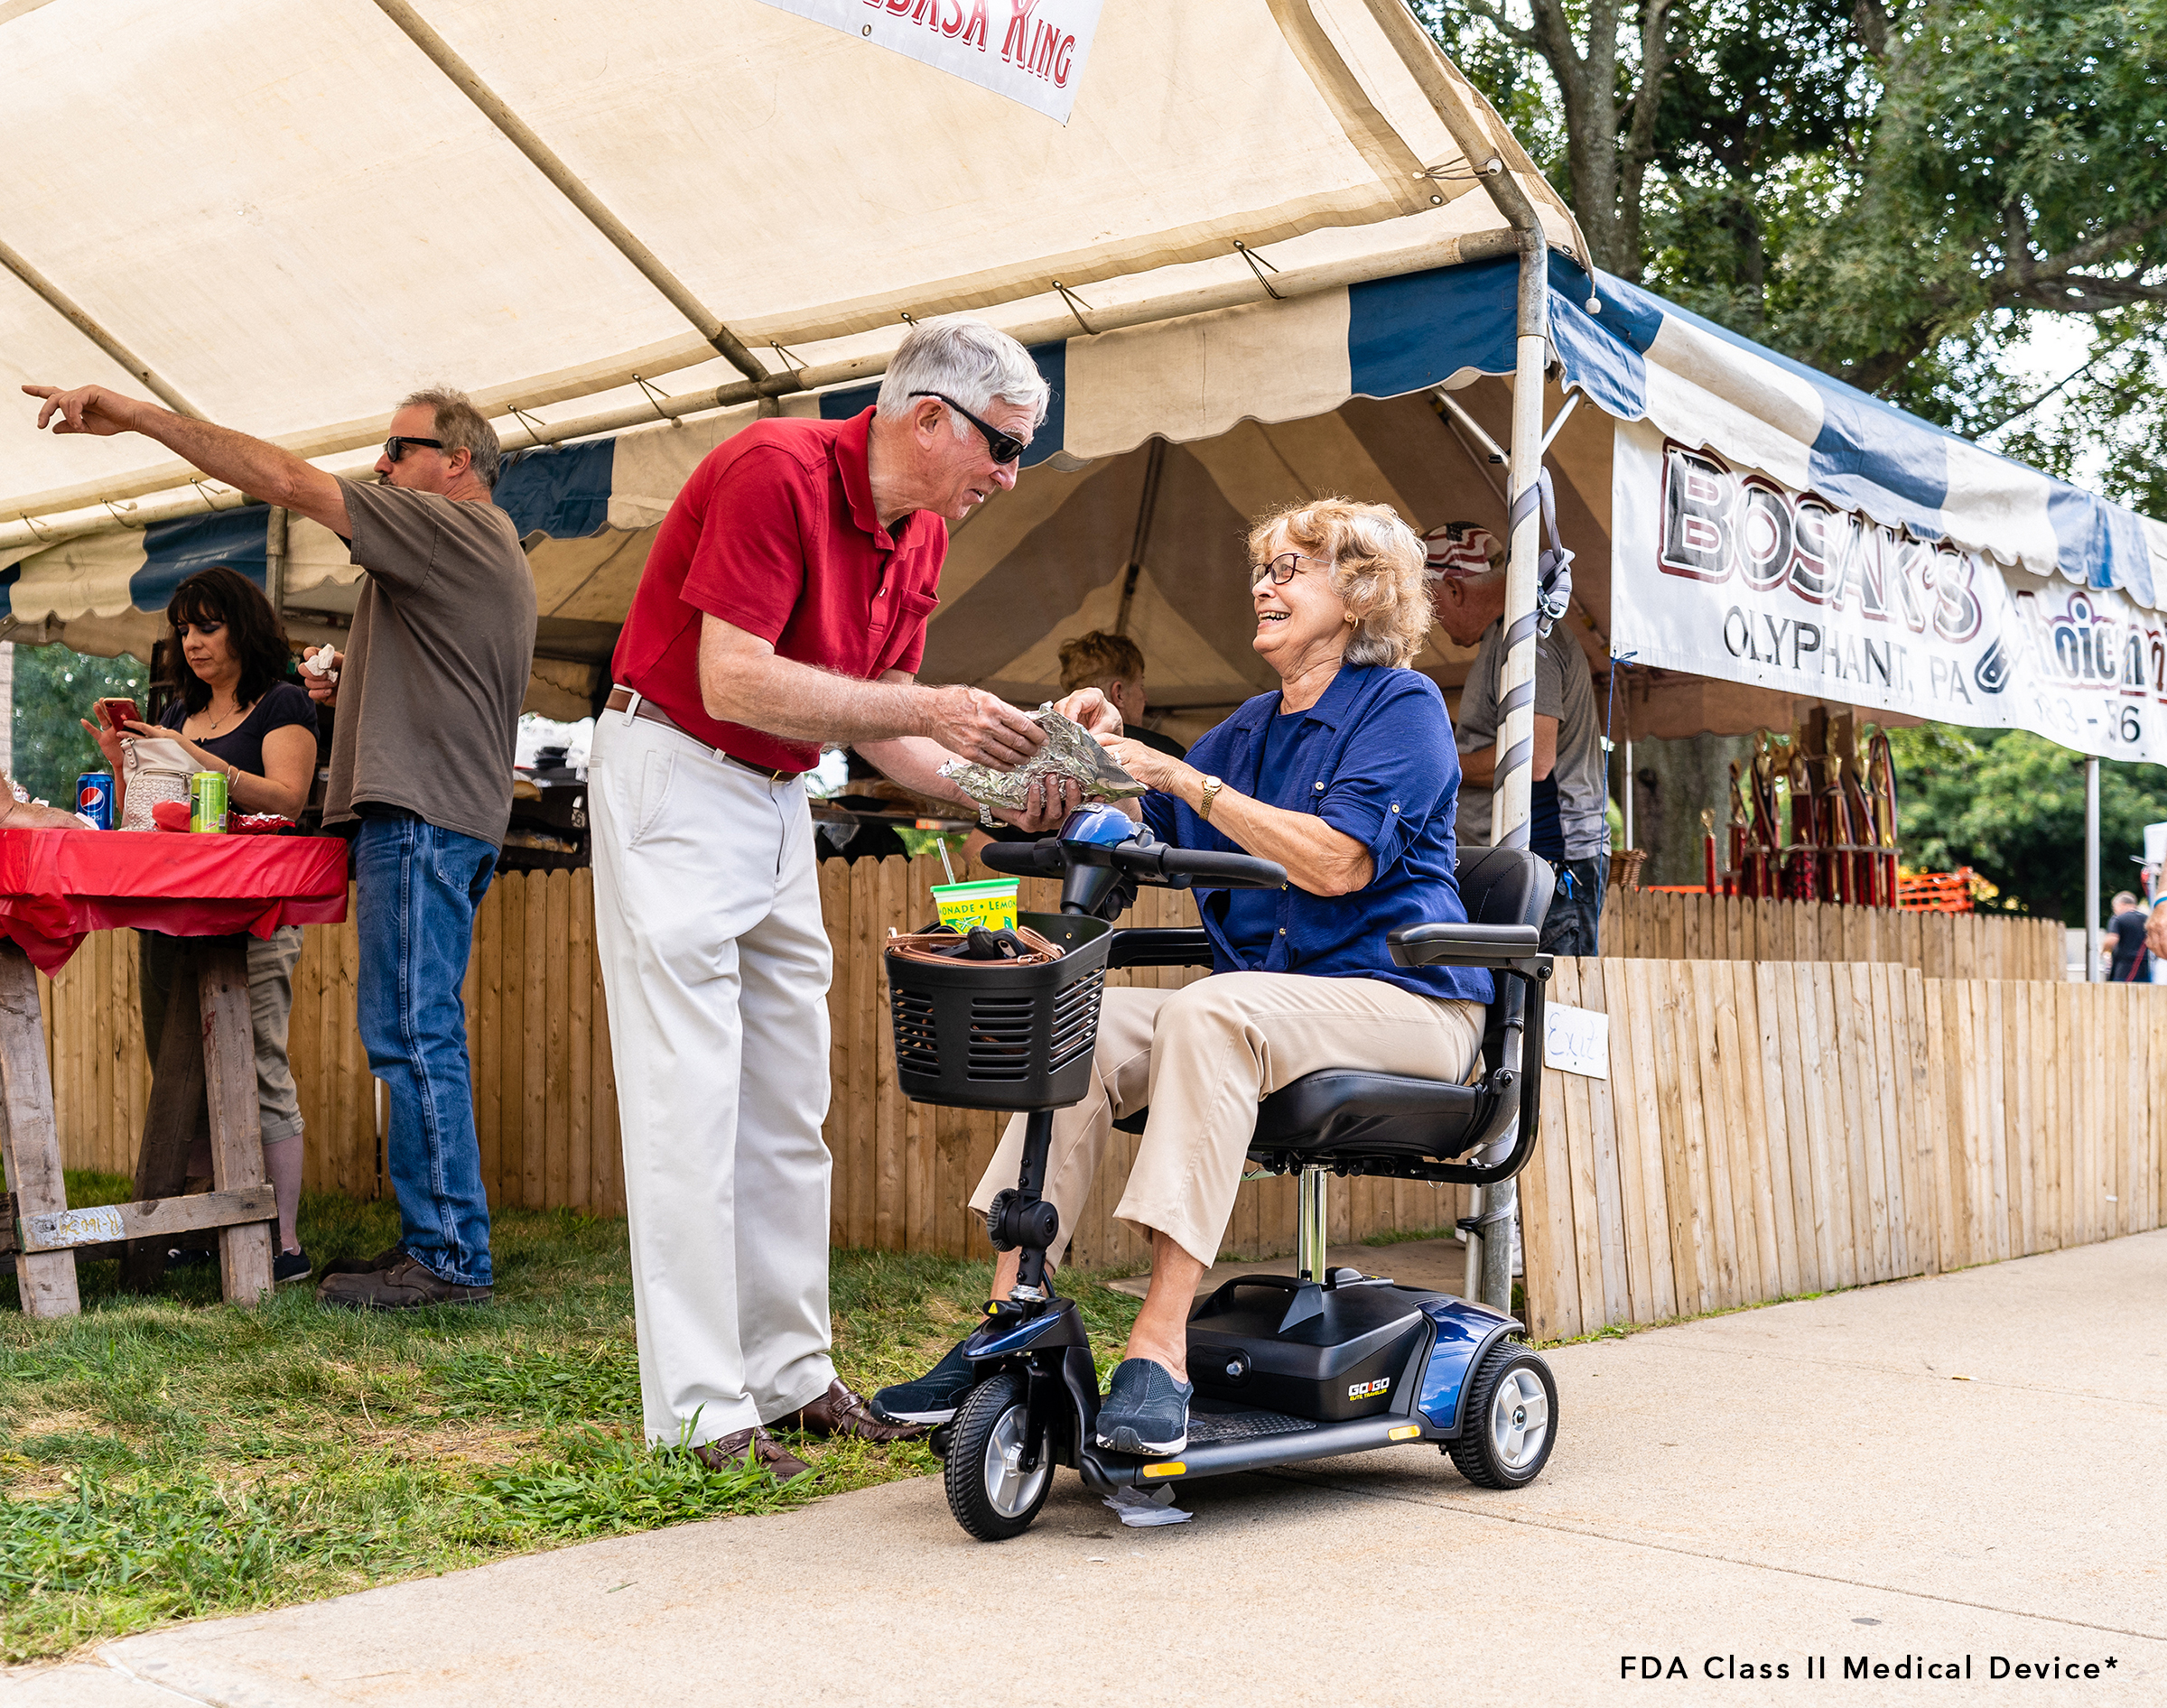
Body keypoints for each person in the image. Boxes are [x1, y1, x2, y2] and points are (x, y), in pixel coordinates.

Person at [872, 498, 1491, 1457]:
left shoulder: (1401, 707)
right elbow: (1138, 801)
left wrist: (1179, 778)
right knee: (1082, 1018)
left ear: (1360, 590)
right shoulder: (1247, 731)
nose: (1263, 584)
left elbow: (1334, 864)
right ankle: (1010, 1314)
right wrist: (1083, 739)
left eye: (1291, 569)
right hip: (1273, 1009)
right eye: (1263, 568)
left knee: (1213, 1006)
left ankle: (1160, 1346)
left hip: (1409, 1002)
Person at [591, 315, 1081, 1481]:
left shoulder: (918, 534)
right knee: (690, 1101)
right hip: (676, 771)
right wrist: (927, 713)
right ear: (928, 418)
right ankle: (704, 1411)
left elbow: (888, 719)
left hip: (773, 797)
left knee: (787, 1103)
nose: (1009, 478)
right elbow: (734, 675)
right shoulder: (776, 469)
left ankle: (793, 1373)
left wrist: (993, 795)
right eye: (1002, 448)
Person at [25, 378, 537, 1311]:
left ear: (458, 462)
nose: (380, 466)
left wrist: (137, 416)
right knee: (412, 1030)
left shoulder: (453, 528)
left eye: (398, 449)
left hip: (423, 818)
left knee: (414, 1032)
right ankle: (436, 1239)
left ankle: (453, 1258)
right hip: (434, 814)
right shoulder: (473, 550)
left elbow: (285, 477)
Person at [82, 566, 319, 1283]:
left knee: (259, 1068)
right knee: (177, 1070)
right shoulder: (180, 713)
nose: (191, 641)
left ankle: (282, 1244)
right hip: (172, 914)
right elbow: (156, 818)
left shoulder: (285, 703)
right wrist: (125, 769)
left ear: (243, 627)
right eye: (183, 628)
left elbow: (290, 798)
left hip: (255, 914)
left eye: (206, 626)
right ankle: (202, 1223)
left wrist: (194, 757)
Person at [1428, 521, 1608, 955]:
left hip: (1552, 862)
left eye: (1433, 604)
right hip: (1526, 862)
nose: (1433, 620)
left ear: (1454, 590)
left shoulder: (1530, 642)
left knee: (1553, 1008)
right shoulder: (1506, 637)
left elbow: (1535, 760)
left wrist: (1435, 766)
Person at [1058, 630, 1186, 758]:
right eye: (1140, 686)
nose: (1145, 698)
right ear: (1119, 694)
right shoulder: (1167, 751)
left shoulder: (1054, 747)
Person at [2105, 891, 2149, 981]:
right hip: (2145, 964)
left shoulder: (2118, 919)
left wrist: (2103, 951)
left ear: (2121, 904)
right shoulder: (2147, 919)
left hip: (2124, 966)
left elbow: (2112, 939)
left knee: (2120, 993)